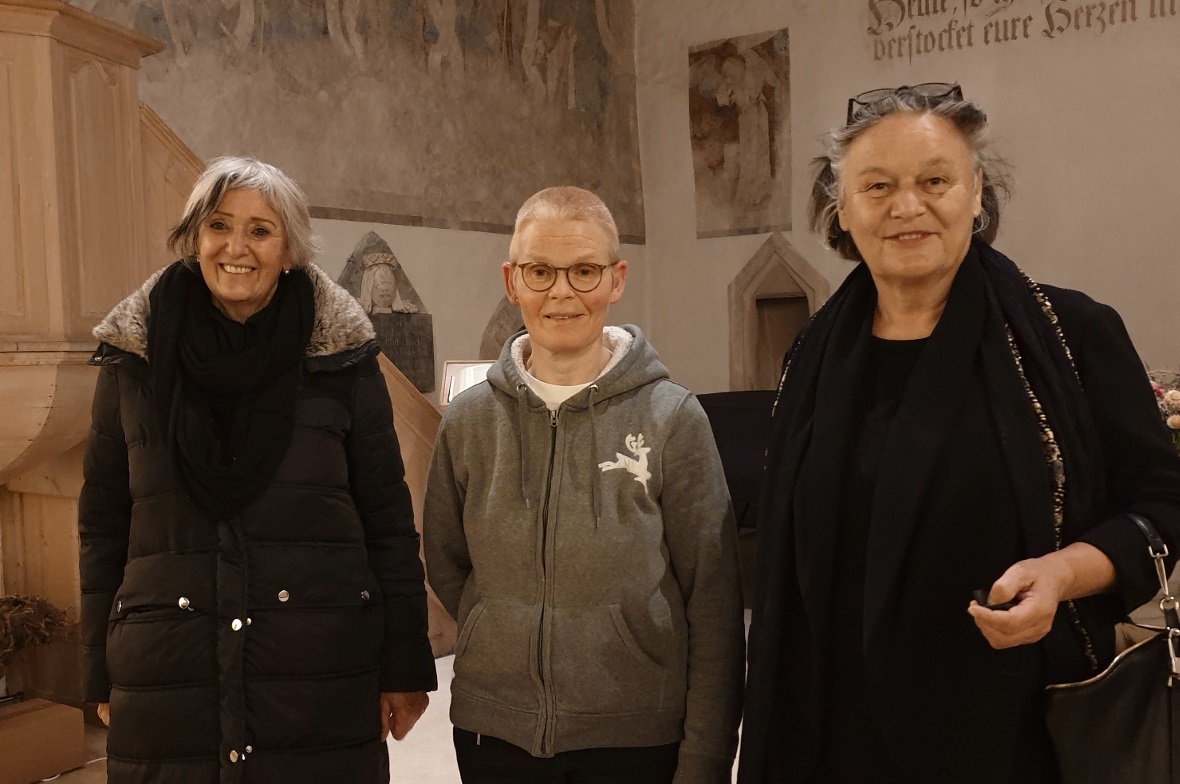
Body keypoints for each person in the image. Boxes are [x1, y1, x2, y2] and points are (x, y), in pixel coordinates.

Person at [738, 84, 1180, 784]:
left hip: (1015, 727)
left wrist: (1061, 574)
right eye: (877, 186)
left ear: (976, 195)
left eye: (935, 181)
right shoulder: (811, 358)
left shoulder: (1075, 334)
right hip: (837, 734)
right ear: (842, 209)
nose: (906, 206)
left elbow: (1162, 506)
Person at [78, 156, 437, 784]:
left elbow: (386, 516)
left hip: (316, 665)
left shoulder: (342, 359)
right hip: (168, 665)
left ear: (289, 249)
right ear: (194, 237)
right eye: (218, 225)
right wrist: (96, 671)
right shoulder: (134, 358)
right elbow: (103, 522)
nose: (236, 247)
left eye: (260, 230)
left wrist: (405, 663)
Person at [423, 186, 745, 783]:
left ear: (616, 280)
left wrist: (706, 758)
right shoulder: (468, 422)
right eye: (540, 271)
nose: (562, 292)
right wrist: (499, 624)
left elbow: (714, 601)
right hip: (495, 733)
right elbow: (448, 562)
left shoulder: (672, 419)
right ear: (512, 281)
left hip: (636, 735)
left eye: (584, 271)